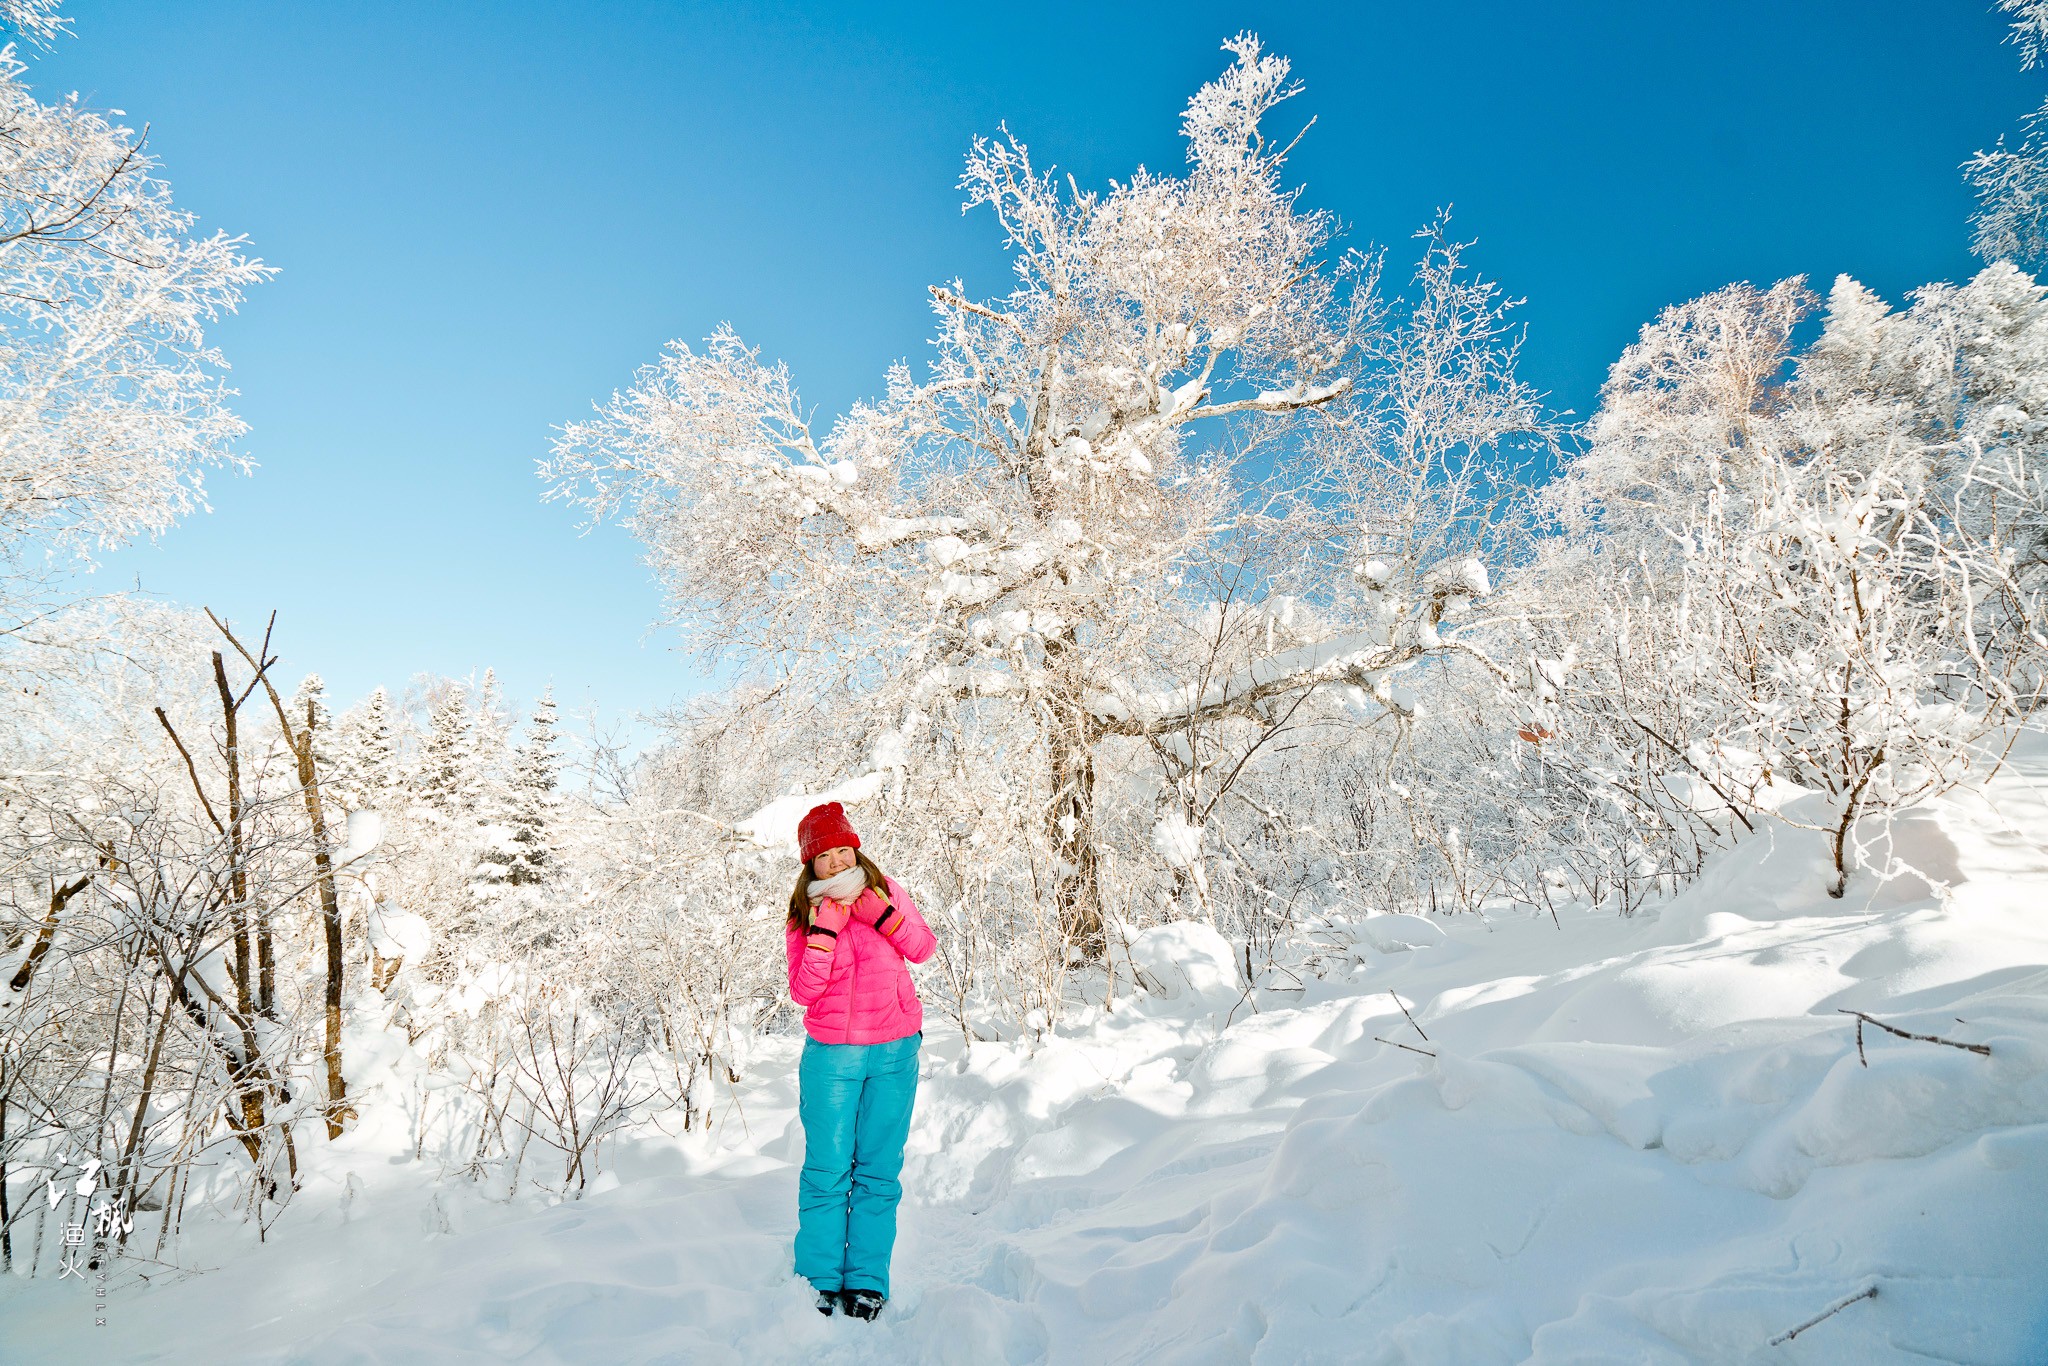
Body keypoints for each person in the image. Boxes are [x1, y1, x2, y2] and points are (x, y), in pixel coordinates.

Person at [784, 801, 937, 1322]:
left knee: (878, 1171)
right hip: (833, 1058)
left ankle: (868, 1279)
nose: (836, 861)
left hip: (895, 1050)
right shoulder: (805, 912)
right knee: (827, 1170)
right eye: (823, 854)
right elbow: (804, 991)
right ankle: (820, 1279)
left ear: (856, 848)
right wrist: (825, 931)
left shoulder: (884, 891)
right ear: (810, 861)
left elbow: (922, 947)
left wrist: (882, 915)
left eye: (843, 849)